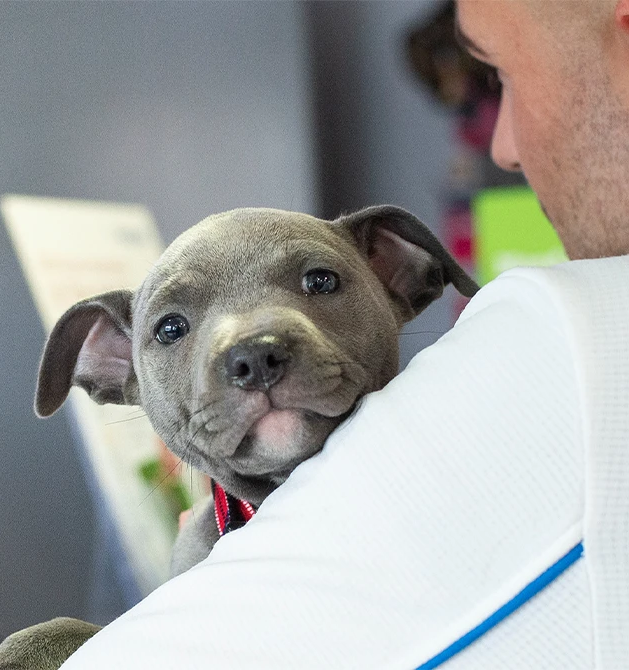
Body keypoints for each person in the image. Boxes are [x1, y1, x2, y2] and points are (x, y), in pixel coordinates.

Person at [61, 0, 629, 666]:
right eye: (173, 327)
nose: (501, 146)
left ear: (401, 271)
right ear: (110, 364)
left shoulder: (558, 342)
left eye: (499, 73)